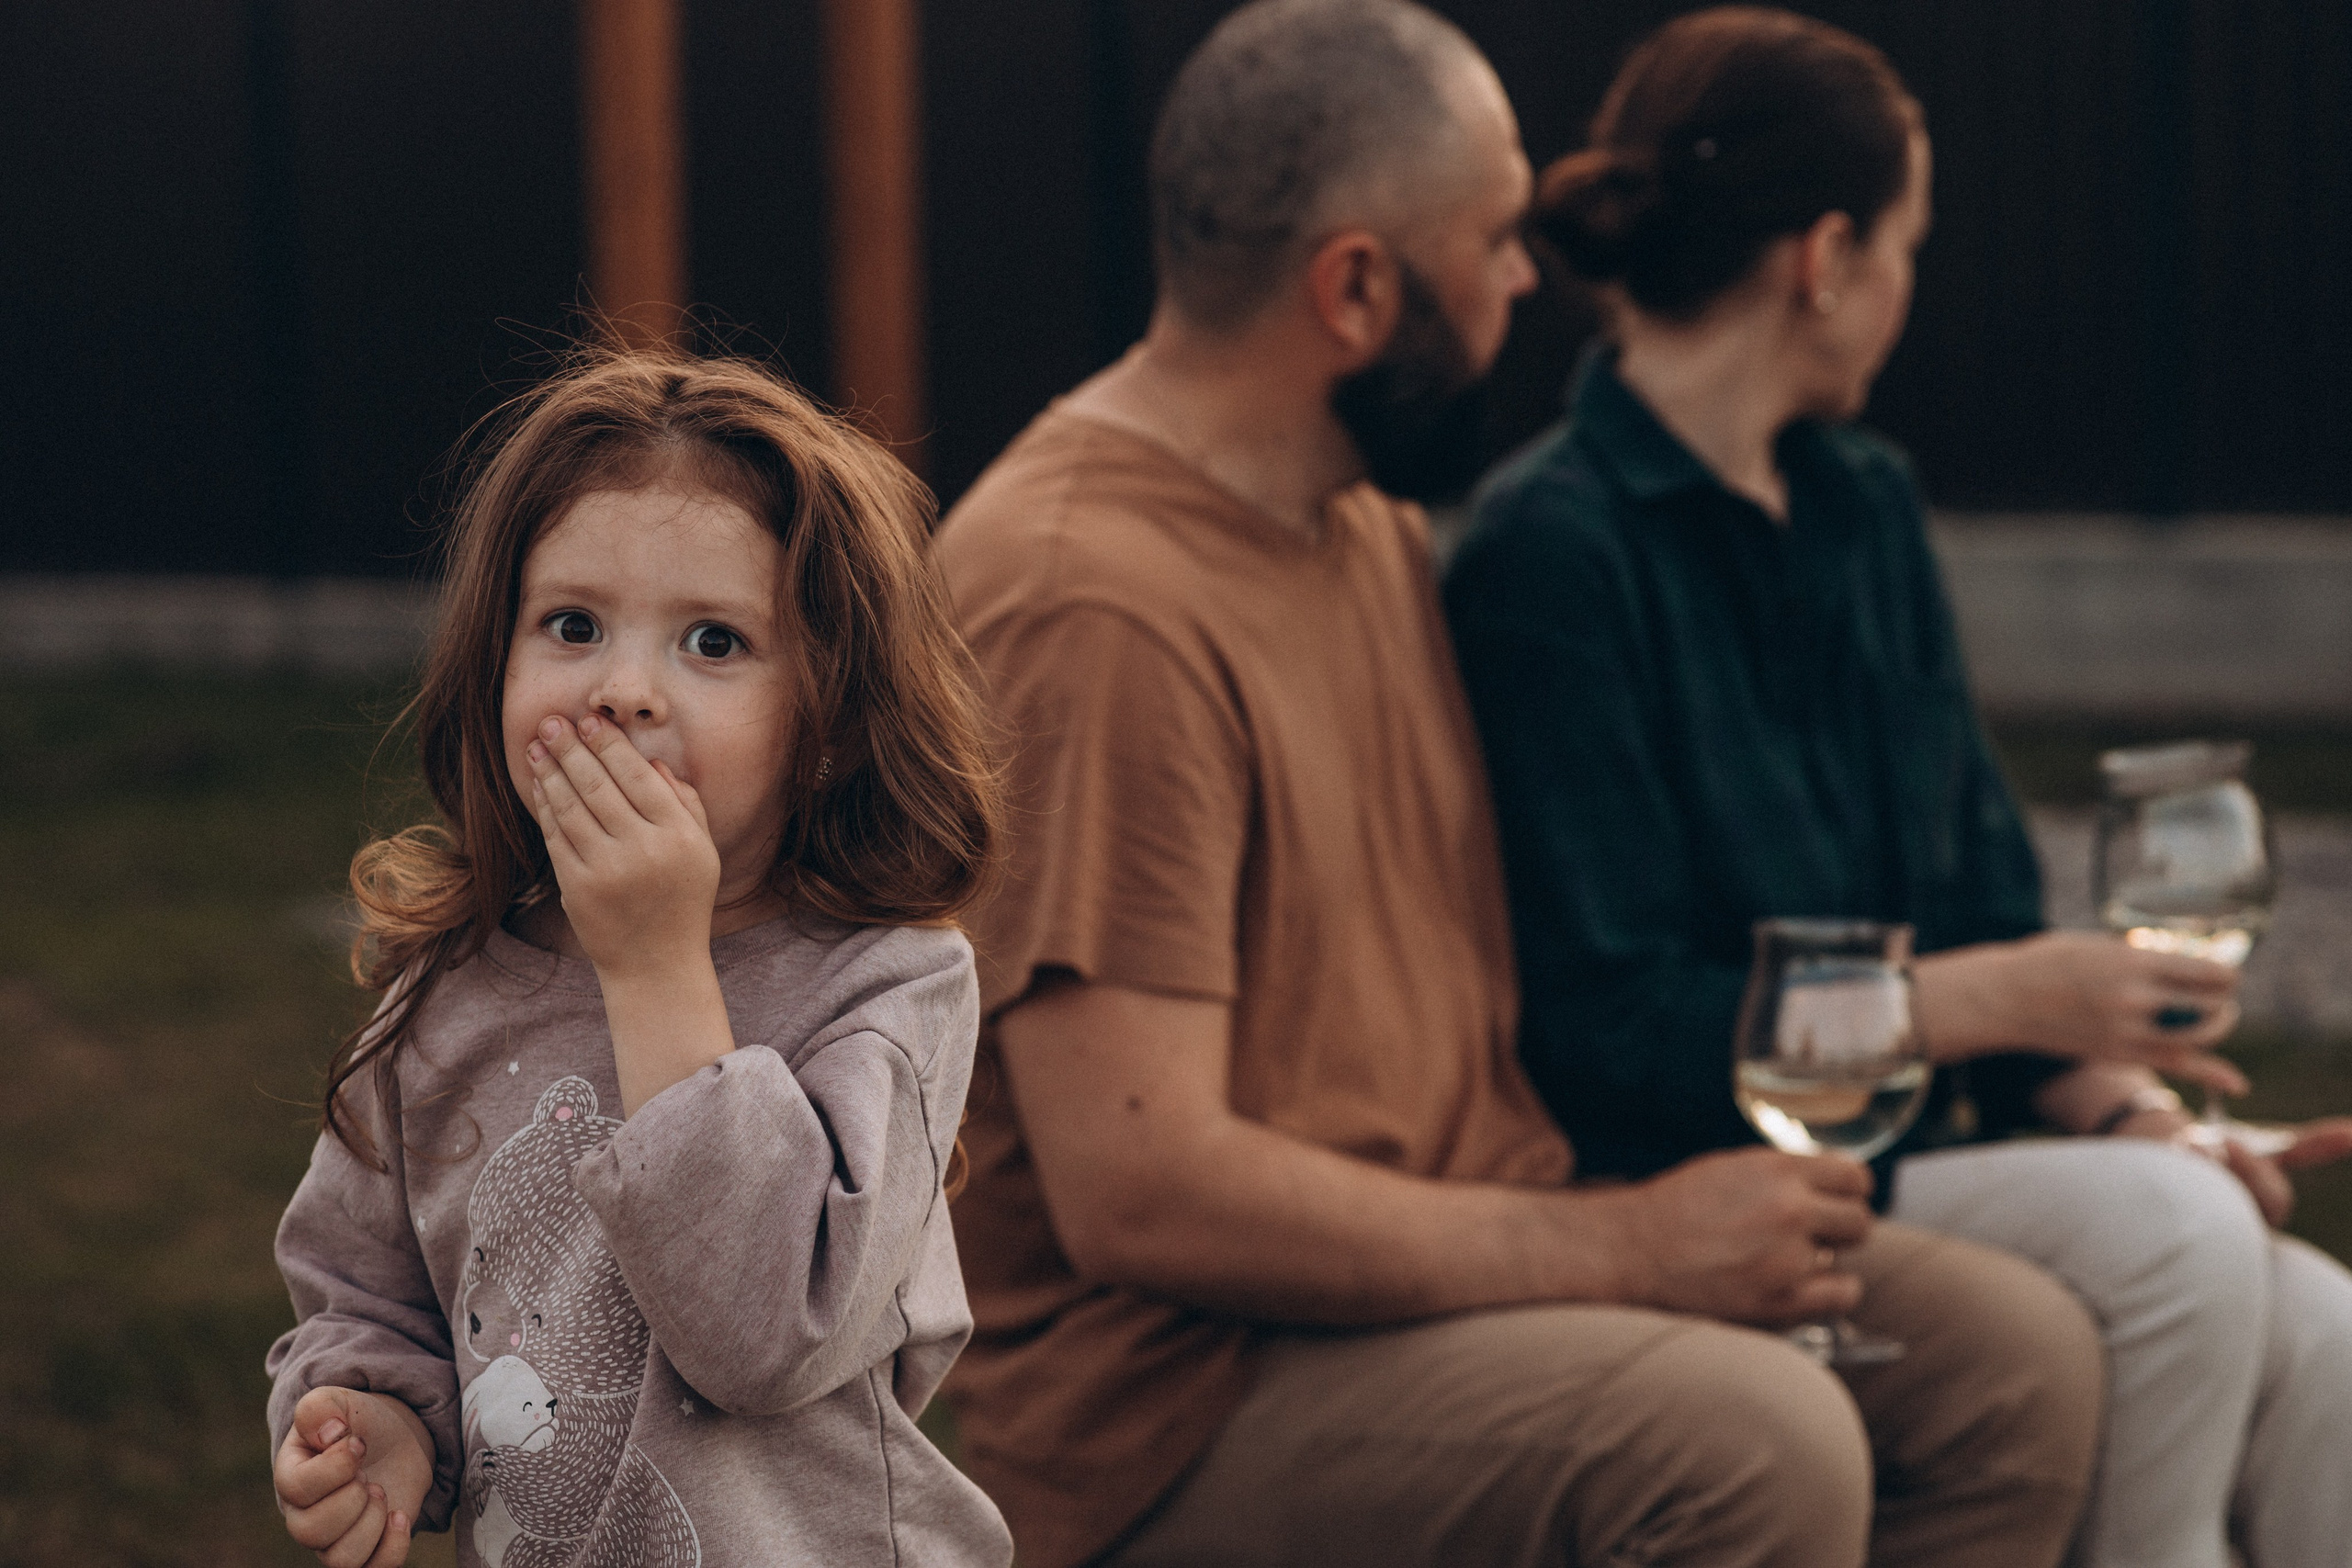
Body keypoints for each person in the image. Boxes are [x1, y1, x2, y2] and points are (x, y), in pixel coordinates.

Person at [934, 4, 2101, 1566]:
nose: (1527, 273)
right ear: (1355, 286)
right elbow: (1144, 1193)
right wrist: (1628, 1246)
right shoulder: (1097, 599)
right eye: (1490, 238)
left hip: (1454, 1264)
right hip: (1188, 1401)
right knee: (1758, 1449)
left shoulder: (1356, 521)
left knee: (2012, 1369)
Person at [1444, 10, 2352, 1568]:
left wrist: (2133, 1112)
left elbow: (1988, 898)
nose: (1909, 290)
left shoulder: (1862, 501)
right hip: (1710, 1180)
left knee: (2329, 1332)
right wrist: (1992, 1003)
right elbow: (1612, 1032)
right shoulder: (1554, 554)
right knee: (2189, 1251)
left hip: (1941, 1153)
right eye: (1908, 247)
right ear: (1826, 257)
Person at [263, 348, 1013, 1568]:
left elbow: (769, 1334)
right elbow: (368, 1285)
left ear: (827, 721)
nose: (622, 690)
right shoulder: (452, 982)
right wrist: (386, 1420)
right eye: (572, 625)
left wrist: (659, 969)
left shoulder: (882, 985)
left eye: (713, 643)